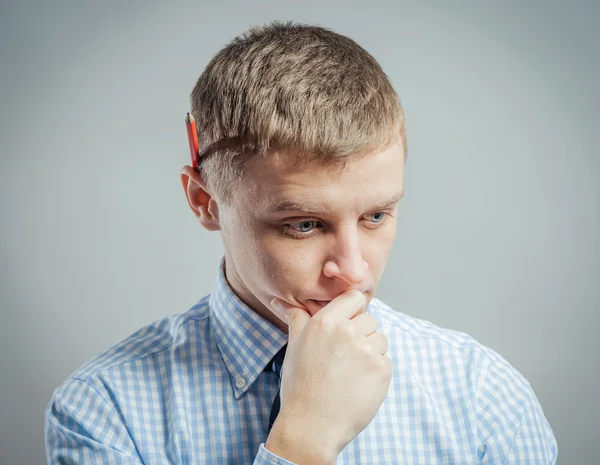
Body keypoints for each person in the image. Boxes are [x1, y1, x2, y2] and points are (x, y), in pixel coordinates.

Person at [44, 21, 558, 464]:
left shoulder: (484, 395)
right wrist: (305, 439)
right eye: (304, 225)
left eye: (376, 216)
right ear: (205, 202)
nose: (355, 273)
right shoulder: (104, 412)